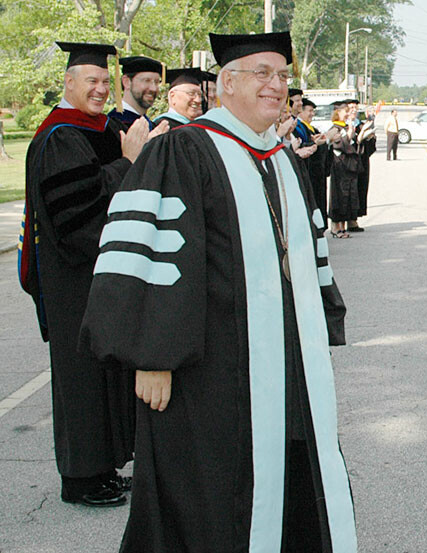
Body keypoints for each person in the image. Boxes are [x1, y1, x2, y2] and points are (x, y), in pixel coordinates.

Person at [80, 31, 357, 552]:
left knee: (295, 468)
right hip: (208, 375)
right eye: (262, 74)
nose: (276, 86)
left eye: (282, 76)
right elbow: (149, 251)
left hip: (285, 364)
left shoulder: (282, 158)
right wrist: (151, 355)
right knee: (210, 496)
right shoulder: (182, 151)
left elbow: (306, 252)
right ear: (226, 83)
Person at [20, 42, 158, 507]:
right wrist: (127, 163)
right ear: (69, 83)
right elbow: (74, 215)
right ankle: (79, 479)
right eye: (90, 81)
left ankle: (102, 468)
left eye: (104, 81)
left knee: (102, 373)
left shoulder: (92, 129)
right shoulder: (60, 135)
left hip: (93, 275)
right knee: (80, 380)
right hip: (72, 277)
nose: (100, 89)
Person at [292, 98, 333, 222]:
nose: (312, 114)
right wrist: (314, 142)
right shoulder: (297, 127)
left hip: (316, 172)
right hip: (308, 171)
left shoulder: (309, 127)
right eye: (310, 111)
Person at [328, 100, 360, 238]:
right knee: (339, 196)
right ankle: (337, 228)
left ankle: (343, 226)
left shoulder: (345, 127)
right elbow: (337, 145)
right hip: (339, 167)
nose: (347, 114)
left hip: (347, 167)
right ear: (337, 112)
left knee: (347, 196)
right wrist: (348, 137)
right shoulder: (334, 129)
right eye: (345, 111)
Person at [109, 55, 162, 129]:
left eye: (156, 82)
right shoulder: (111, 125)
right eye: (146, 80)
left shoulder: (153, 126)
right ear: (126, 82)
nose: (153, 88)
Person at [350, 101, 376, 232]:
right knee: (349, 191)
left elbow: (369, 148)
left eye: (355, 108)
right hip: (349, 164)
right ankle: (348, 220)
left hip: (361, 162)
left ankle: (354, 219)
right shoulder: (344, 127)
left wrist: (370, 137)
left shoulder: (360, 125)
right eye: (351, 108)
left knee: (360, 189)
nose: (354, 110)